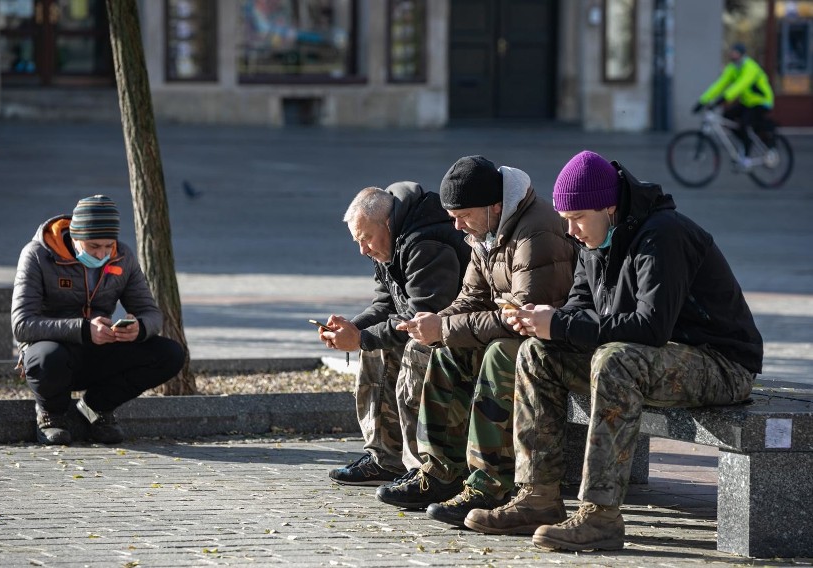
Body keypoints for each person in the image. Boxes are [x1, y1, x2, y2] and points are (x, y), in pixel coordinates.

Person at [463, 150, 763, 551]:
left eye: (578, 218)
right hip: (656, 358)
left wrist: (561, 323)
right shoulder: (594, 242)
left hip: (720, 363)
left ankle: (600, 514)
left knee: (614, 359)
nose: (571, 231)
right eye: (565, 220)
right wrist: (545, 319)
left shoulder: (664, 235)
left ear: (610, 205)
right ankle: (538, 497)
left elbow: (650, 328)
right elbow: (579, 309)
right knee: (537, 353)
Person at [376, 155, 575, 527]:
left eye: (462, 214)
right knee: (445, 348)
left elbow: (522, 316)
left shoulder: (537, 231)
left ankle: (489, 484)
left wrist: (446, 328)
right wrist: (437, 323)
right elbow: (472, 298)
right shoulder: (483, 232)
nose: (455, 224)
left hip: (551, 338)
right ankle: (441, 472)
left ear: (494, 207)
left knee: (498, 353)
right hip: (517, 327)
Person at [320, 183, 470, 486]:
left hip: (455, 335)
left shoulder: (425, 242)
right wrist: (353, 329)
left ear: (386, 224)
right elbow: (386, 303)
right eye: (357, 241)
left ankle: (422, 469)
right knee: (375, 343)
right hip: (429, 329)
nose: (363, 250)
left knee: (403, 347)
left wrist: (360, 339)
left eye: (366, 239)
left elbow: (423, 316)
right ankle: (384, 459)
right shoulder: (390, 241)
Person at [11, 195, 186, 446]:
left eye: (108, 245)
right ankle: (51, 415)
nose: (102, 253)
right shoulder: (37, 255)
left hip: (99, 347)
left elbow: (152, 313)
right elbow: (22, 324)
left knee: (170, 354)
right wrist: (84, 329)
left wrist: (139, 329)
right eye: (94, 246)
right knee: (49, 358)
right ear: (74, 236)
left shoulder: (123, 257)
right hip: (51, 352)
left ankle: (95, 408)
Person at [693, 42, 775, 162]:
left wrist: (722, 100)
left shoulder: (750, 67)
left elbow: (739, 86)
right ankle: (744, 140)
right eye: (732, 52)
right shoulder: (733, 68)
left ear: (742, 54)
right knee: (727, 116)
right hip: (748, 102)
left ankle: (747, 152)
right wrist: (702, 101)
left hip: (762, 102)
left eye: (735, 52)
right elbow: (719, 84)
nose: (732, 54)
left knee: (744, 123)